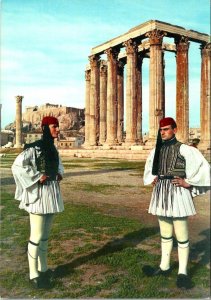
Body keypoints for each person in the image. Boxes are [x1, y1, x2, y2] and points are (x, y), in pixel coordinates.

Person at [143, 117, 210, 289]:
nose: (163, 132)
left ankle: (182, 273)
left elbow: (203, 167)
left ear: (174, 129)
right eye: (161, 130)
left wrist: (188, 183)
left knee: (181, 234)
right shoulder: (156, 150)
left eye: (166, 129)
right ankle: (164, 267)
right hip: (161, 191)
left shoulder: (185, 149)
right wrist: (153, 178)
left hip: (178, 192)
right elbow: (150, 167)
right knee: (165, 232)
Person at [12, 116, 64, 289]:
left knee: (45, 236)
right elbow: (17, 166)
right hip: (38, 196)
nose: (57, 129)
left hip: (51, 193)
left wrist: (58, 173)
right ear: (45, 129)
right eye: (54, 126)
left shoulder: (53, 149)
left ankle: (43, 269)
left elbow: (58, 165)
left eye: (57, 126)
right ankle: (33, 274)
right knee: (36, 236)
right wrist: (36, 177)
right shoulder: (34, 148)